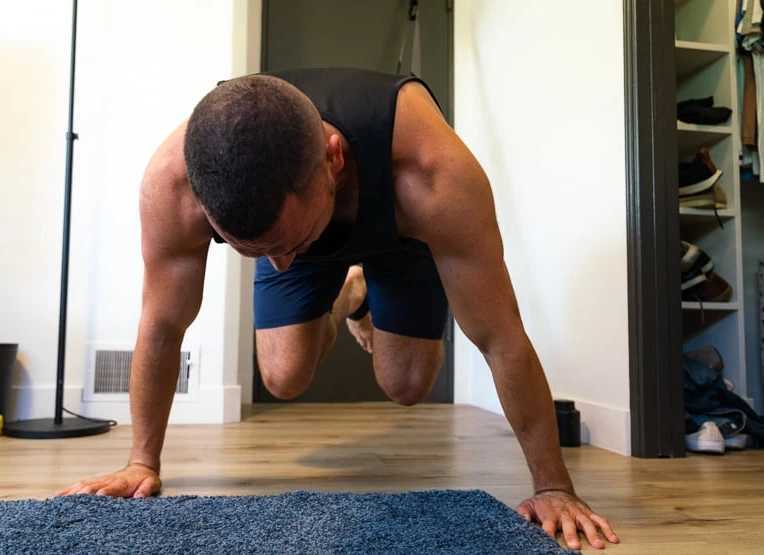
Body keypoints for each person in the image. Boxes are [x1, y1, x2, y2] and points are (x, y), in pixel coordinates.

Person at [57, 67, 619, 550]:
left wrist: (553, 487)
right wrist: (141, 463)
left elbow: (501, 334)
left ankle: (361, 275)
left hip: (398, 231)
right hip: (302, 226)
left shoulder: (433, 176)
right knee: (281, 375)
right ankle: (351, 294)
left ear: (333, 158)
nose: (274, 266)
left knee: (405, 384)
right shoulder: (174, 183)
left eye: (277, 248)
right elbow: (162, 323)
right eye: (253, 251)